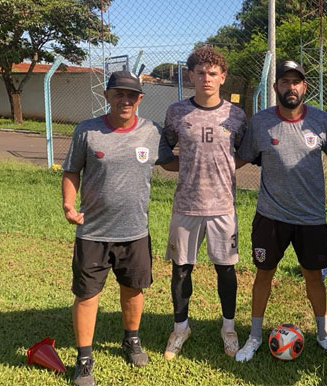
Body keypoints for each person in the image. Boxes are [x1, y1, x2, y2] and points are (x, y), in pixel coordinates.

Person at [61, 71, 177, 386]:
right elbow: (72, 170)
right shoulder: (87, 131)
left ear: (140, 99)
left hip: (135, 231)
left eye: (131, 95)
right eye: (119, 94)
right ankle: (84, 359)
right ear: (107, 96)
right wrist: (69, 204)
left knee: (133, 289)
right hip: (94, 232)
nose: (125, 100)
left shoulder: (152, 132)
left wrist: (211, 157)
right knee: (87, 295)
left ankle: (132, 340)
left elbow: (170, 162)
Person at [234, 60, 327, 362]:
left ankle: (324, 335)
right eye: (284, 82)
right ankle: (255, 336)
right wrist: (207, 170)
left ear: (304, 88)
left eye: (296, 82)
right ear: (276, 88)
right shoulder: (260, 122)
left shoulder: (322, 122)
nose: (291, 87)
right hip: (270, 216)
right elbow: (241, 158)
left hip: (311, 218)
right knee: (263, 274)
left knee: (314, 277)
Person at [161, 46, 247, 360]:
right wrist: (187, 167)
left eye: (213, 73)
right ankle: (180, 327)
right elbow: (165, 151)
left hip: (223, 206)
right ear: (191, 76)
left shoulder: (236, 115)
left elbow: (242, 153)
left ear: (223, 77)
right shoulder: (176, 112)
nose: (206, 78)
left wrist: (220, 170)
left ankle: (228, 327)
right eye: (201, 73)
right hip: (186, 205)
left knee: (226, 270)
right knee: (181, 269)